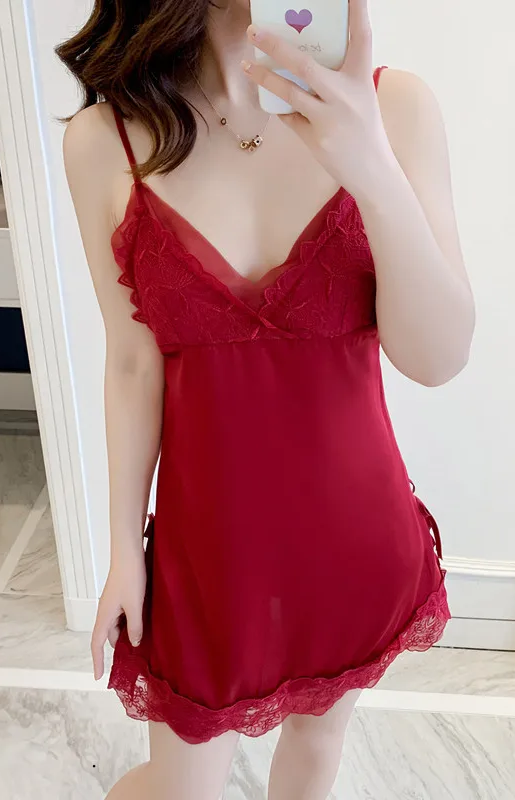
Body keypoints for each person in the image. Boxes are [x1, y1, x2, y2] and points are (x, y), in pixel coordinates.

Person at [59, 0, 475, 797]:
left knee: (316, 752)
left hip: (356, 540)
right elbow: (133, 363)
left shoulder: (396, 107)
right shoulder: (103, 142)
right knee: (179, 787)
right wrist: (122, 549)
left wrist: (369, 163)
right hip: (207, 558)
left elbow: (438, 358)